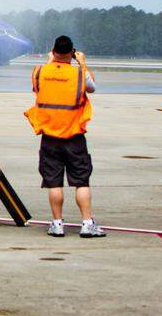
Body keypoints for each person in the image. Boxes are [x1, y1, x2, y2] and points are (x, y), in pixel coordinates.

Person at [24, 35, 104, 238]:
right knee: (81, 181)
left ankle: (57, 224)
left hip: (50, 135)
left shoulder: (40, 71)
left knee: (54, 182)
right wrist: (82, 62)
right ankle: (87, 223)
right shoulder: (79, 73)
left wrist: (50, 62)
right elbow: (92, 87)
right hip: (74, 135)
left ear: (52, 50)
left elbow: (37, 87)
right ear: (72, 53)